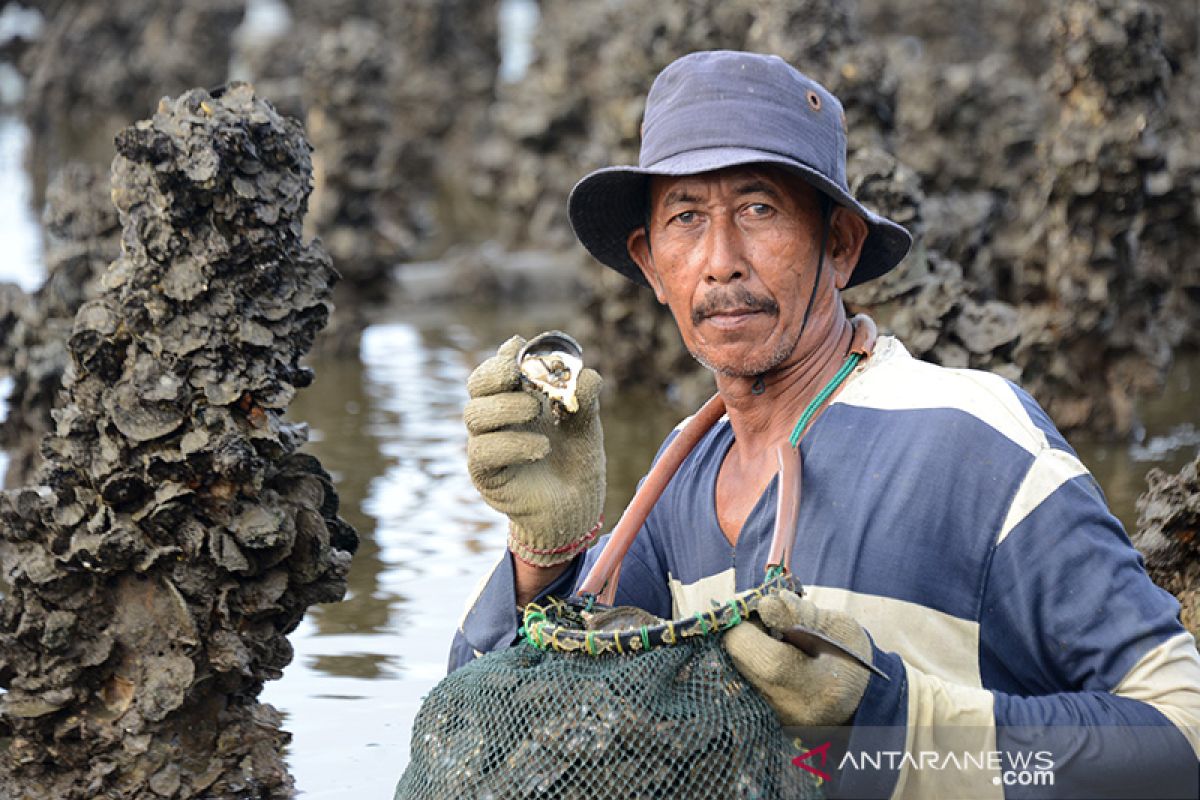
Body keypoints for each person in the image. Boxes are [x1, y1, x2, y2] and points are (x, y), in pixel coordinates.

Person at [450, 50, 1200, 797]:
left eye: (759, 210)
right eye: (685, 218)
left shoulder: (971, 437)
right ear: (650, 265)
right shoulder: (676, 482)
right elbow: (494, 738)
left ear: (839, 246)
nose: (720, 262)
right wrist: (541, 560)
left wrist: (895, 724)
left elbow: (1181, 738)